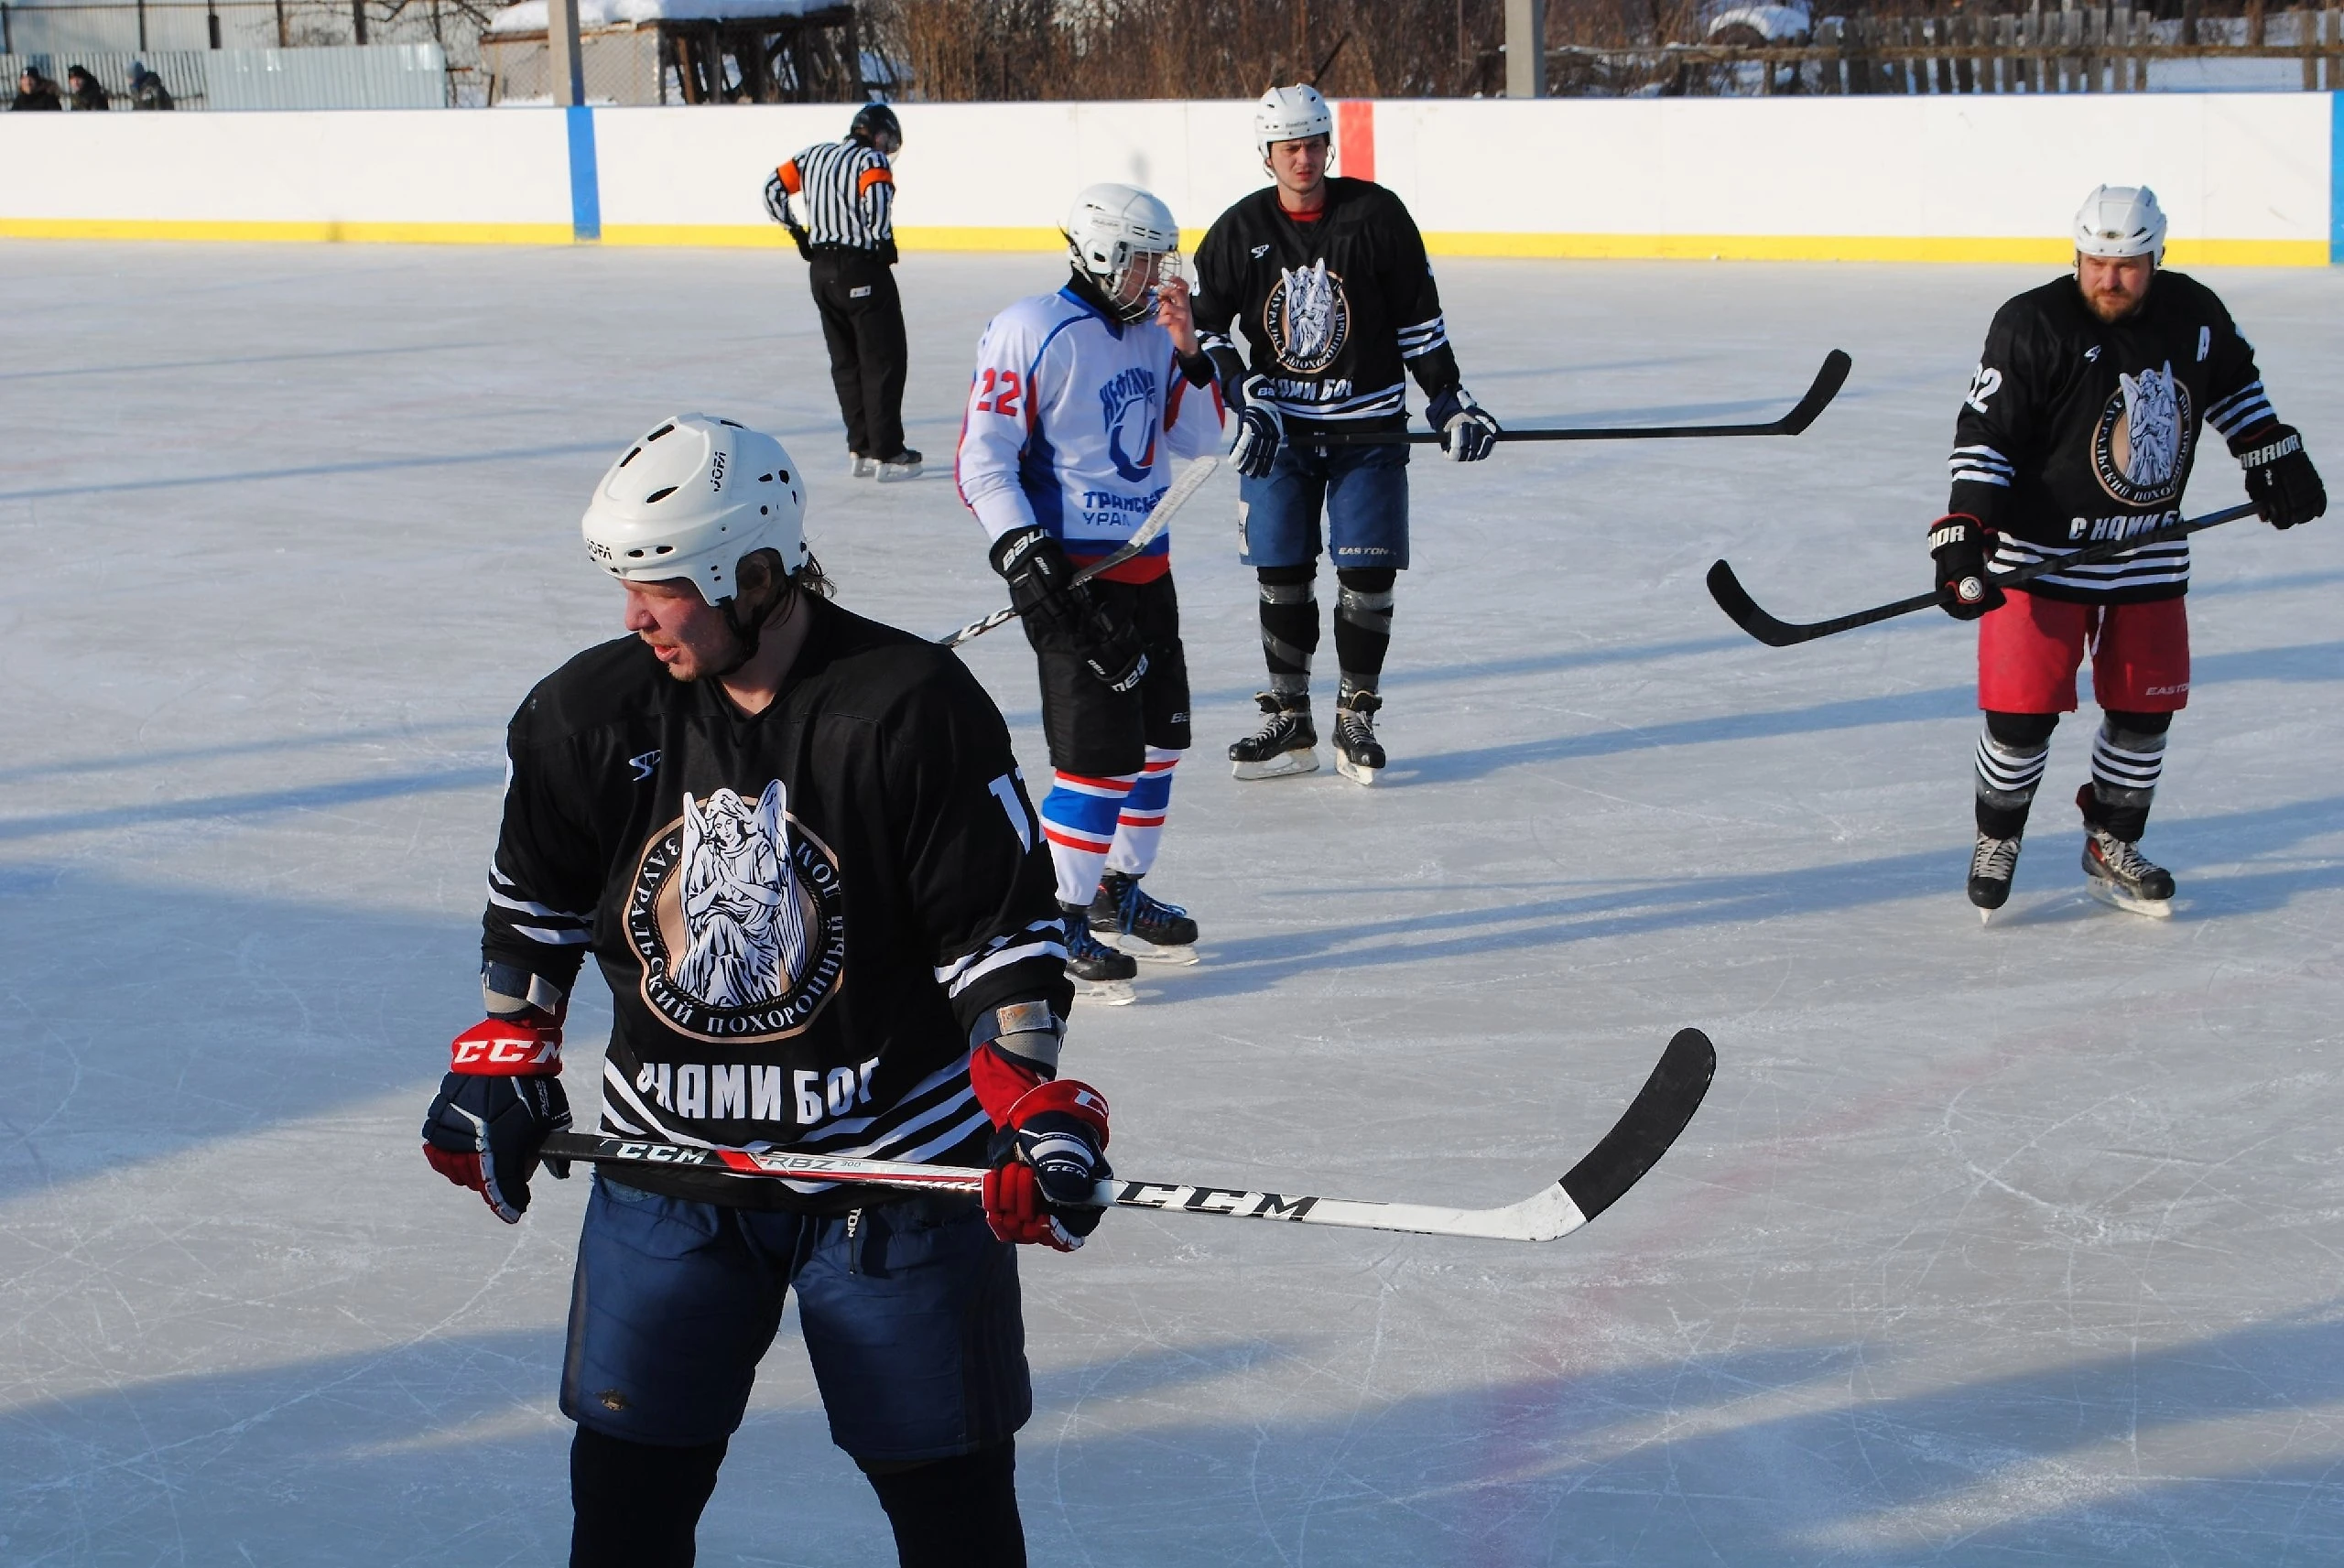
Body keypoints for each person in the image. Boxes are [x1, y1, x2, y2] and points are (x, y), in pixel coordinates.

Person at [419, 413, 1114, 1568]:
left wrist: (1030, 1104)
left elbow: (997, 944)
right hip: (671, 1170)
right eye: (628, 585)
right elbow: (534, 919)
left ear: (755, 573)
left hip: (892, 1171)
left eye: (664, 587)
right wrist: (505, 1052)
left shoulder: (910, 708)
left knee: (954, 1525)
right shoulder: (586, 714)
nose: (636, 616)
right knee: (626, 1514)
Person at [1936, 185, 2324, 920]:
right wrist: (1966, 530)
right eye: (2096, 262)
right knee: (2021, 717)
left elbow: (2235, 388)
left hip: (2147, 552)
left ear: (2157, 257)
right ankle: (1998, 836)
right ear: (2076, 254)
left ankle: (2111, 842)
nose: (2109, 279)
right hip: (2040, 555)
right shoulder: (2031, 323)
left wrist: (2271, 452)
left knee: (2145, 713)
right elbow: (1987, 437)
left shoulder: (2193, 312)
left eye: (2128, 265)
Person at [1190, 82, 1501, 786]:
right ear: (1266, 154)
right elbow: (1203, 328)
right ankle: (1291, 719)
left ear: (1329, 146)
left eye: (1313, 144)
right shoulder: (1239, 231)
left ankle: (1354, 715)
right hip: (1280, 437)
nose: (1303, 158)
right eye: (1289, 147)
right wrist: (1242, 390)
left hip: (1370, 433)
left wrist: (1449, 401)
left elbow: (1419, 321)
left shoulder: (1378, 215)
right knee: (1282, 572)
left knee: (1367, 573)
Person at [955, 184, 1223, 999]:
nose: (1158, 276)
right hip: (1074, 577)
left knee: (1163, 742)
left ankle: (1116, 892)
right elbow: (982, 457)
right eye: (1146, 259)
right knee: (1098, 762)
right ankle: (1058, 913)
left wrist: (1188, 350)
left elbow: (1202, 440)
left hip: (1150, 568)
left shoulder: (1153, 332)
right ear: (1104, 253)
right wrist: (1023, 551)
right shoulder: (1032, 328)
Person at [765, 103, 919, 481]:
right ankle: (888, 452)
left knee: (845, 361)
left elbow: (772, 189)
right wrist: (882, 240)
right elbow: (878, 201)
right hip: (861, 267)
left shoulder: (813, 155)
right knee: (883, 358)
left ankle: (860, 448)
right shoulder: (871, 161)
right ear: (879, 134)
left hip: (821, 272)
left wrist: (797, 232)